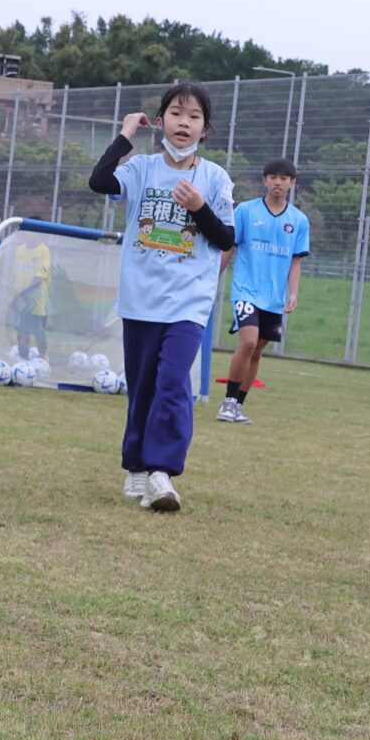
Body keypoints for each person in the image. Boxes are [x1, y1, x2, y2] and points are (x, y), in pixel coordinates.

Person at [87, 82, 235, 513]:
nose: (184, 123)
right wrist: (125, 135)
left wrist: (200, 207)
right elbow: (99, 181)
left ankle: (161, 471)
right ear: (160, 120)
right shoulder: (142, 169)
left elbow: (226, 238)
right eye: (176, 113)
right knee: (143, 386)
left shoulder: (215, 178)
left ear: (205, 128)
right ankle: (136, 465)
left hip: (188, 302)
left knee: (172, 382)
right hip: (141, 298)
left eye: (194, 116)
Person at [216, 158, 309, 424]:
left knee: (257, 351)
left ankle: (238, 405)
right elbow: (229, 247)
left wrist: (293, 293)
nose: (278, 182)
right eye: (273, 177)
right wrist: (213, 277)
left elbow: (295, 261)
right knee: (247, 342)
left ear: (292, 183)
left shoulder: (299, 220)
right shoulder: (246, 211)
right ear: (264, 180)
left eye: (284, 178)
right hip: (246, 290)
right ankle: (227, 402)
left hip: (273, 298)